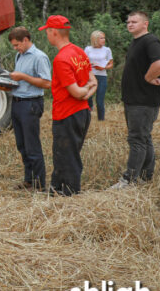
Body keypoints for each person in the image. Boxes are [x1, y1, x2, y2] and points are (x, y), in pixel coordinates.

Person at [38, 15, 97, 196]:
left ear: (53, 32)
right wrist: (86, 92)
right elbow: (93, 82)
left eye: (47, 31)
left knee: (67, 157)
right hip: (82, 112)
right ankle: (56, 190)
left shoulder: (61, 59)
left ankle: (70, 194)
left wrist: (82, 93)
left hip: (66, 114)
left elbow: (76, 92)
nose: (47, 35)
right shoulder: (79, 52)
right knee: (63, 154)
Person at [110, 11, 160, 189]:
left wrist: (148, 78)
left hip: (142, 101)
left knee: (136, 139)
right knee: (144, 138)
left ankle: (130, 180)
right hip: (135, 100)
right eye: (128, 22)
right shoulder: (136, 42)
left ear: (145, 24)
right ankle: (145, 175)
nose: (130, 24)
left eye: (134, 21)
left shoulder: (150, 41)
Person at [8, 27, 52, 191]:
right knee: (22, 144)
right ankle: (29, 180)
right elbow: (20, 82)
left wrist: (22, 77)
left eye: (17, 45)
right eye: (13, 46)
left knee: (32, 145)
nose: (15, 48)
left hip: (31, 104)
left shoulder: (39, 57)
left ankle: (40, 184)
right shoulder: (19, 55)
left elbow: (47, 83)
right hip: (17, 102)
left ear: (26, 40)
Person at [84, 31, 114, 121]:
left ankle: (101, 120)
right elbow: (83, 62)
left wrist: (103, 68)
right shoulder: (88, 49)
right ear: (95, 39)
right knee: (88, 97)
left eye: (104, 38)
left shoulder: (107, 50)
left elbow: (111, 64)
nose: (104, 40)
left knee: (99, 100)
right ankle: (87, 117)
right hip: (90, 76)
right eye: (101, 38)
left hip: (102, 77)